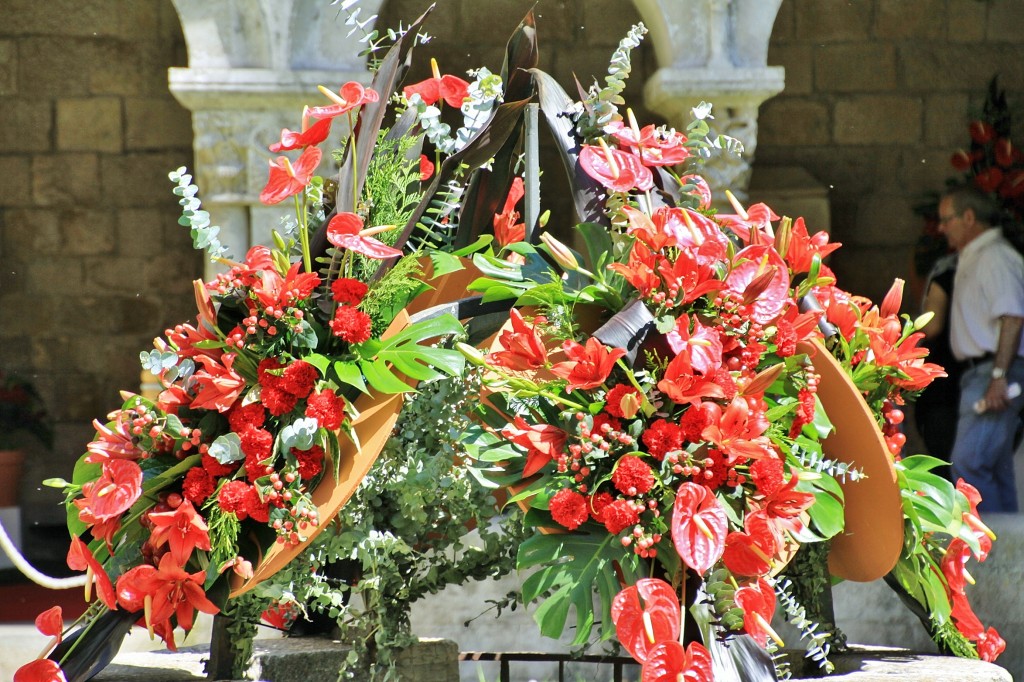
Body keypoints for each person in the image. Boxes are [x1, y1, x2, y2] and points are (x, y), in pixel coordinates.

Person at [938, 186, 1024, 512]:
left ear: (969, 217)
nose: (942, 228)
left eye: (947, 220)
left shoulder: (994, 256)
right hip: (985, 372)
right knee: (994, 466)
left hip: (994, 372)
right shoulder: (980, 255)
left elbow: (1013, 316)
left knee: (970, 464)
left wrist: (999, 376)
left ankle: (993, 556)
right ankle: (1010, 556)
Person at [914, 252, 961, 481]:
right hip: (962, 379)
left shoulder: (945, 280)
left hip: (943, 388)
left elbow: (930, 326)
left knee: (943, 456)